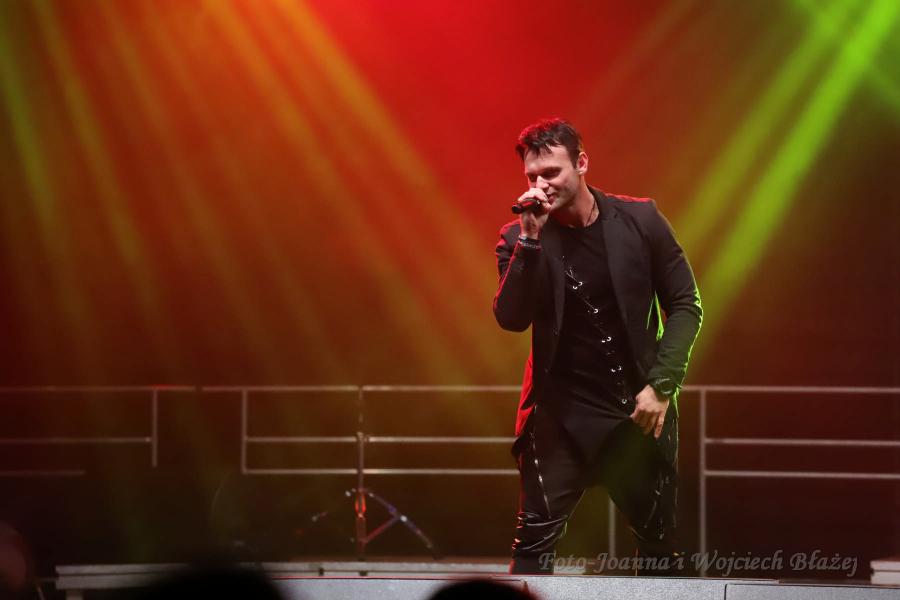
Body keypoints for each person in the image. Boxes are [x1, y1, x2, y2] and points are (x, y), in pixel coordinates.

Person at [493, 118, 702, 575]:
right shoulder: (517, 237)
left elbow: (686, 304)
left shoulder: (641, 220)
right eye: (532, 176)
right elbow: (511, 318)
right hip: (560, 415)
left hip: (636, 410)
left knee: (659, 543)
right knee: (532, 542)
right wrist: (530, 240)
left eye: (551, 172)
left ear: (582, 163)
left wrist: (662, 385)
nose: (541, 185)